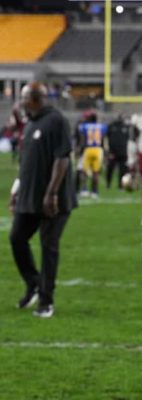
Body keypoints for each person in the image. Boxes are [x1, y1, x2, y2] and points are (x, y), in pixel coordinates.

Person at [8, 82, 77, 318]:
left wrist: (52, 193)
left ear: (36, 98)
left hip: (53, 199)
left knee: (48, 247)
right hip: (30, 196)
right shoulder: (31, 123)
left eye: (24, 97)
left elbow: (62, 159)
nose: (21, 101)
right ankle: (34, 284)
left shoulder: (56, 120)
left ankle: (46, 301)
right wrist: (17, 188)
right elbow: (26, 161)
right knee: (17, 238)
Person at [77, 111, 107, 198]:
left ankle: (84, 189)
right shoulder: (102, 126)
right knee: (96, 172)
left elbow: (82, 138)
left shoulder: (84, 126)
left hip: (88, 148)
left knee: (84, 171)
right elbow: (103, 138)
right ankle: (95, 191)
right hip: (98, 149)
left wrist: (80, 149)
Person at [105, 113, 130, 190]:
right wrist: (108, 151)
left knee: (123, 170)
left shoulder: (125, 127)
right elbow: (106, 138)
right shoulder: (111, 126)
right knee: (110, 169)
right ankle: (108, 184)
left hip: (123, 152)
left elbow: (128, 139)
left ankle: (121, 185)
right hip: (113, 152)